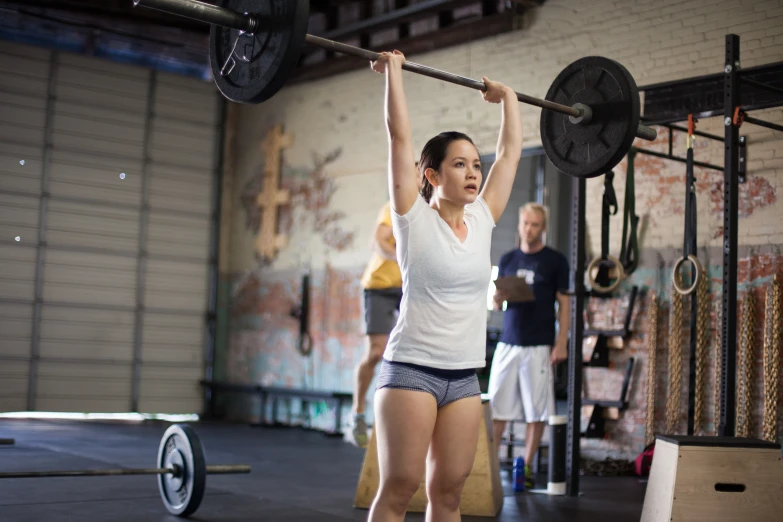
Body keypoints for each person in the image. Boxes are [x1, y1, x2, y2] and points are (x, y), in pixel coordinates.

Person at [367, 49, 522, 522]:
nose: (474, 172)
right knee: (400, 488)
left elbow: (511, 153)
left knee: (449, 494)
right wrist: (393, 74)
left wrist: (509, 99)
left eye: (476, 164)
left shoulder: (483, 218)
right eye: (460, 164)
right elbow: (400, 137)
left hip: (463, 377)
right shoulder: (412, 217)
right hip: (412, 369)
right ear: (431, 175)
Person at [488, 202, 570, 490]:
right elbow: (497, 302)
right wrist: (498, 298)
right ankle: (488, 466)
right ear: (520, 224)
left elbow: (565, 304)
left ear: (543, 228)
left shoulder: (555, 261)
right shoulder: (508, 258)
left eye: (535, 224)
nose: (529, 229)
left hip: (539, 344)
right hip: (508, 342)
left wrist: (561, 343)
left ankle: (527, 465)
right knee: (497, 406)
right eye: (525, 223)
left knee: (537, 411)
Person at [351, 199, 404, 448]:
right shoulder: (392, 207)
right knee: (375, 352)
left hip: (409, 287)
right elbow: (379, 242)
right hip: (381, 285)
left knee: (411, 354)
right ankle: (359, 412)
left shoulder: (434, 208)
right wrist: (402, 258)